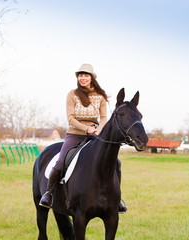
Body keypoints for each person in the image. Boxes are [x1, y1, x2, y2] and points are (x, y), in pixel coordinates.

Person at [39, 63, 127, 213]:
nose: (83, 78)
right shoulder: (72, 94)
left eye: (86, 75)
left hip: (95, 135)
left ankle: (117, 200)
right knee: (61, 161)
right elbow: (71, 118)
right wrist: (86, 128)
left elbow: (104, 118)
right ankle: (48, 193)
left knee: (116, 162)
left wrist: (98, 130)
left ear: (91, 77)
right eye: (80, 75)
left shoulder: (100, 96)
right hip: (75, 134)